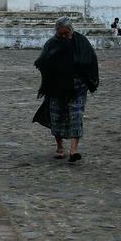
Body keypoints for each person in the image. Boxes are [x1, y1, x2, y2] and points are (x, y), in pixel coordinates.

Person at [33, 17, 99, 162]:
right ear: (56, 32)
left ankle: (74, 150)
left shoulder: (81, 42)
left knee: (76, 116)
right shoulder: (51, 44)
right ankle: (60, 148)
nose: (64, 36)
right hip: (56, 88)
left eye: (66, 33)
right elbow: (43, 61)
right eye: (61, 34)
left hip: (77, 88)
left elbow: (90, 60)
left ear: (71, 30)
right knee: (57, 117)